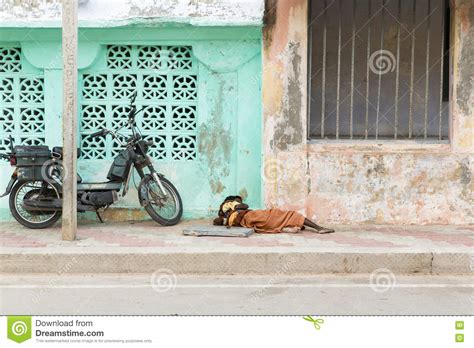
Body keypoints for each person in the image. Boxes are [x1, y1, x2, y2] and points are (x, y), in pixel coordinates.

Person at [213, 195, 334, 234]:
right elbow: (244, 207)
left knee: (274, 220)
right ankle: (319, 228)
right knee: (288, 215)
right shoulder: (229, 204)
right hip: (252, 216)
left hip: (251, 219)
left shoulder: (229, 217)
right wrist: (238, 204)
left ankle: (286, 226)